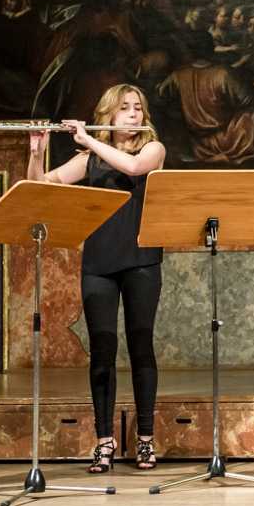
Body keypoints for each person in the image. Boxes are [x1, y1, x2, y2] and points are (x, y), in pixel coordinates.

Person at [26, 84, 166, 472]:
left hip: (141, 260)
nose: (134, 114)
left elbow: (133, 169)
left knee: (141, 346)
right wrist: (36, 151)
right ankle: (104, 441)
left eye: (138, 108)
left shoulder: (152, 149)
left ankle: (145, 439)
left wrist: (89, 140)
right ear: (108, 114)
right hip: (98, 263)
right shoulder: (89, 159)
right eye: (125, 108)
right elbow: (40, 185)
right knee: (102, 350)